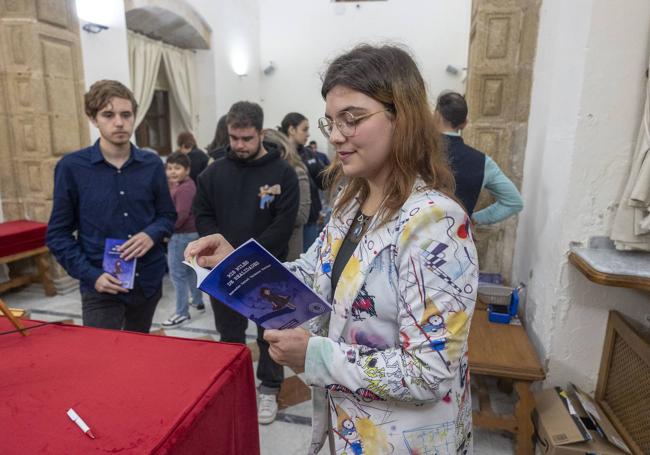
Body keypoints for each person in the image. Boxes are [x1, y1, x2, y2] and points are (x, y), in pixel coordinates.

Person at [186, 45, 478, 454]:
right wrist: (236, 263)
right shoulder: (351, 202)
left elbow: (429, 372)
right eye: (331, 122)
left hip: (402, 440)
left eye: (352, 119)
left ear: (403, 117)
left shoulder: (436, 223)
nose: (337, 135)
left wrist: (316, 355)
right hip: (351, 427)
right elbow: (311, 274)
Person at [192, 101, 300, 424]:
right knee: (229, 336)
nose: (238, 145)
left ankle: (269, 388)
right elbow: (203, 214)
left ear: (261, 134)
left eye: (246, 139)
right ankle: (235, 388)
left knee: (271, 335)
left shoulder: (283, 173)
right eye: (234, 138)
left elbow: (284, 224)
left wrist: (245, 258)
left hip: (269, 270)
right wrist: (220, 251)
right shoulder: (212, 173)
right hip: (223, 273)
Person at [46, 80, 176, 333]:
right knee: (103, 363)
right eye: (108, 114)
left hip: (146, 282)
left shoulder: (151, 164)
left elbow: (167, 215)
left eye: (126, 114)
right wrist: (91, 275)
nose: (119, 122)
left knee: (138, 353)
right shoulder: (72, 167)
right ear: (93, 118)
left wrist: (151, 234)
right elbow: (57, 235)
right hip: (100, 286)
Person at [434, 91, 523, 224]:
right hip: (457, 239)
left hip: (413, 237)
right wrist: (473, 219)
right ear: (464, 123)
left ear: (435, 115)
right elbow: (514, 202)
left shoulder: (415, 151)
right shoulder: (483, 162)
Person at [161, 151, 205, 328]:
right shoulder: (183, 184)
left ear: (187, 170)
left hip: (181, 235)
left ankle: (181, 313)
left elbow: (181, 215)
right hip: (188, 234)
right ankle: (197, 301)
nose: (172, 172)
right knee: (188, 271)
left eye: (177, 168)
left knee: (177, 275)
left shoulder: (185, 188)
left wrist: (166, 232)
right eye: (169, 168)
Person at [281, 112, 328, 251]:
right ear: (291, 130)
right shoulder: (278, 155)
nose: (308, 134)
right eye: (304, 129)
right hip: (289, 222)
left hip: (310, 220)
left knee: (309, 263)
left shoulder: (309, 155)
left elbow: (323, 182)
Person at [263, 128, 311, 260]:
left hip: (289, 250)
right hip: (265, 249)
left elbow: (302, 215)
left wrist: (271, 214)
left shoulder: (296, 172)